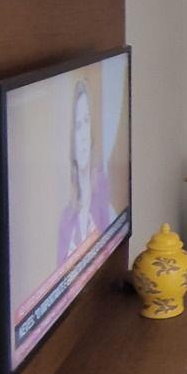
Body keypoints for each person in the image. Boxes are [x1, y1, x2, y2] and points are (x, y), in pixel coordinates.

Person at [57, 79, 111, 263]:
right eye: (78, 125)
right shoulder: (66, 219)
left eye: (86, 121)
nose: (82, 136)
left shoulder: (102, 187)